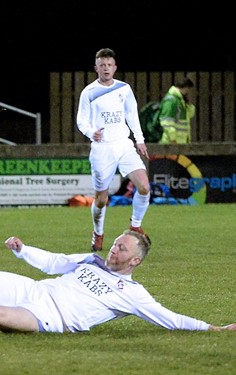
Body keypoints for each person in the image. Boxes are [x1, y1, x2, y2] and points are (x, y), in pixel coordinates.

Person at [0, 231, 236, 335]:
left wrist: (214, 328)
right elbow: (53, 264)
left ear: (135, 261)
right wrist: (23, 250)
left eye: (122, 247)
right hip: (35, 289)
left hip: (50, 319)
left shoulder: (133, 294)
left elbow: (167, 317)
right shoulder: (91, 259)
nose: (114, 248)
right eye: (115, 242)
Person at [76, 48, 150, 252]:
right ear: (96, 68)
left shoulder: (124, 88)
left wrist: (140, 140)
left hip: (124, 145)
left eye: (109, 65)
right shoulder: (89, 92)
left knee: (144, 186)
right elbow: (81, 120)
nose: (106, 68)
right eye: (102, 65)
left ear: (115, 67)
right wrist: (92, 132)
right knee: (101, 199)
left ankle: (135, 225)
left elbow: (132, 115)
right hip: (102, 149)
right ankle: (98, 232)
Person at [158, 77, 195, 144]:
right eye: (188, 89)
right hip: (171, 143)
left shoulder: (180, 100)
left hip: (180, 142)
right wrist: (173, 139)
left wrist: (188, 104)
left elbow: (190, 114)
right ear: (186, 88)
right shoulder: (171, 100)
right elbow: (166, 122)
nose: (188, 92)